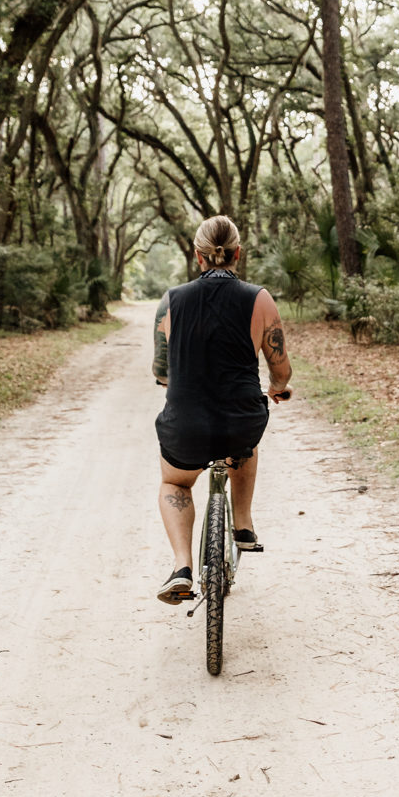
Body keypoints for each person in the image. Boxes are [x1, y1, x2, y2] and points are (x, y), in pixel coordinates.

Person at [150, 214, 292, 603]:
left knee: (175, 481)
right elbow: (280, 369)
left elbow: (162, 371)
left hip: (186, 424)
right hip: (239, 420)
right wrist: (279, 387)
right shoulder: (259, 299)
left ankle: (182, 566)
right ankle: (242, 523)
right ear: (238, 254)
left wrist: (170, 381)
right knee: (244, 441)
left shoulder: (170, 303)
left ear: (197, 256)